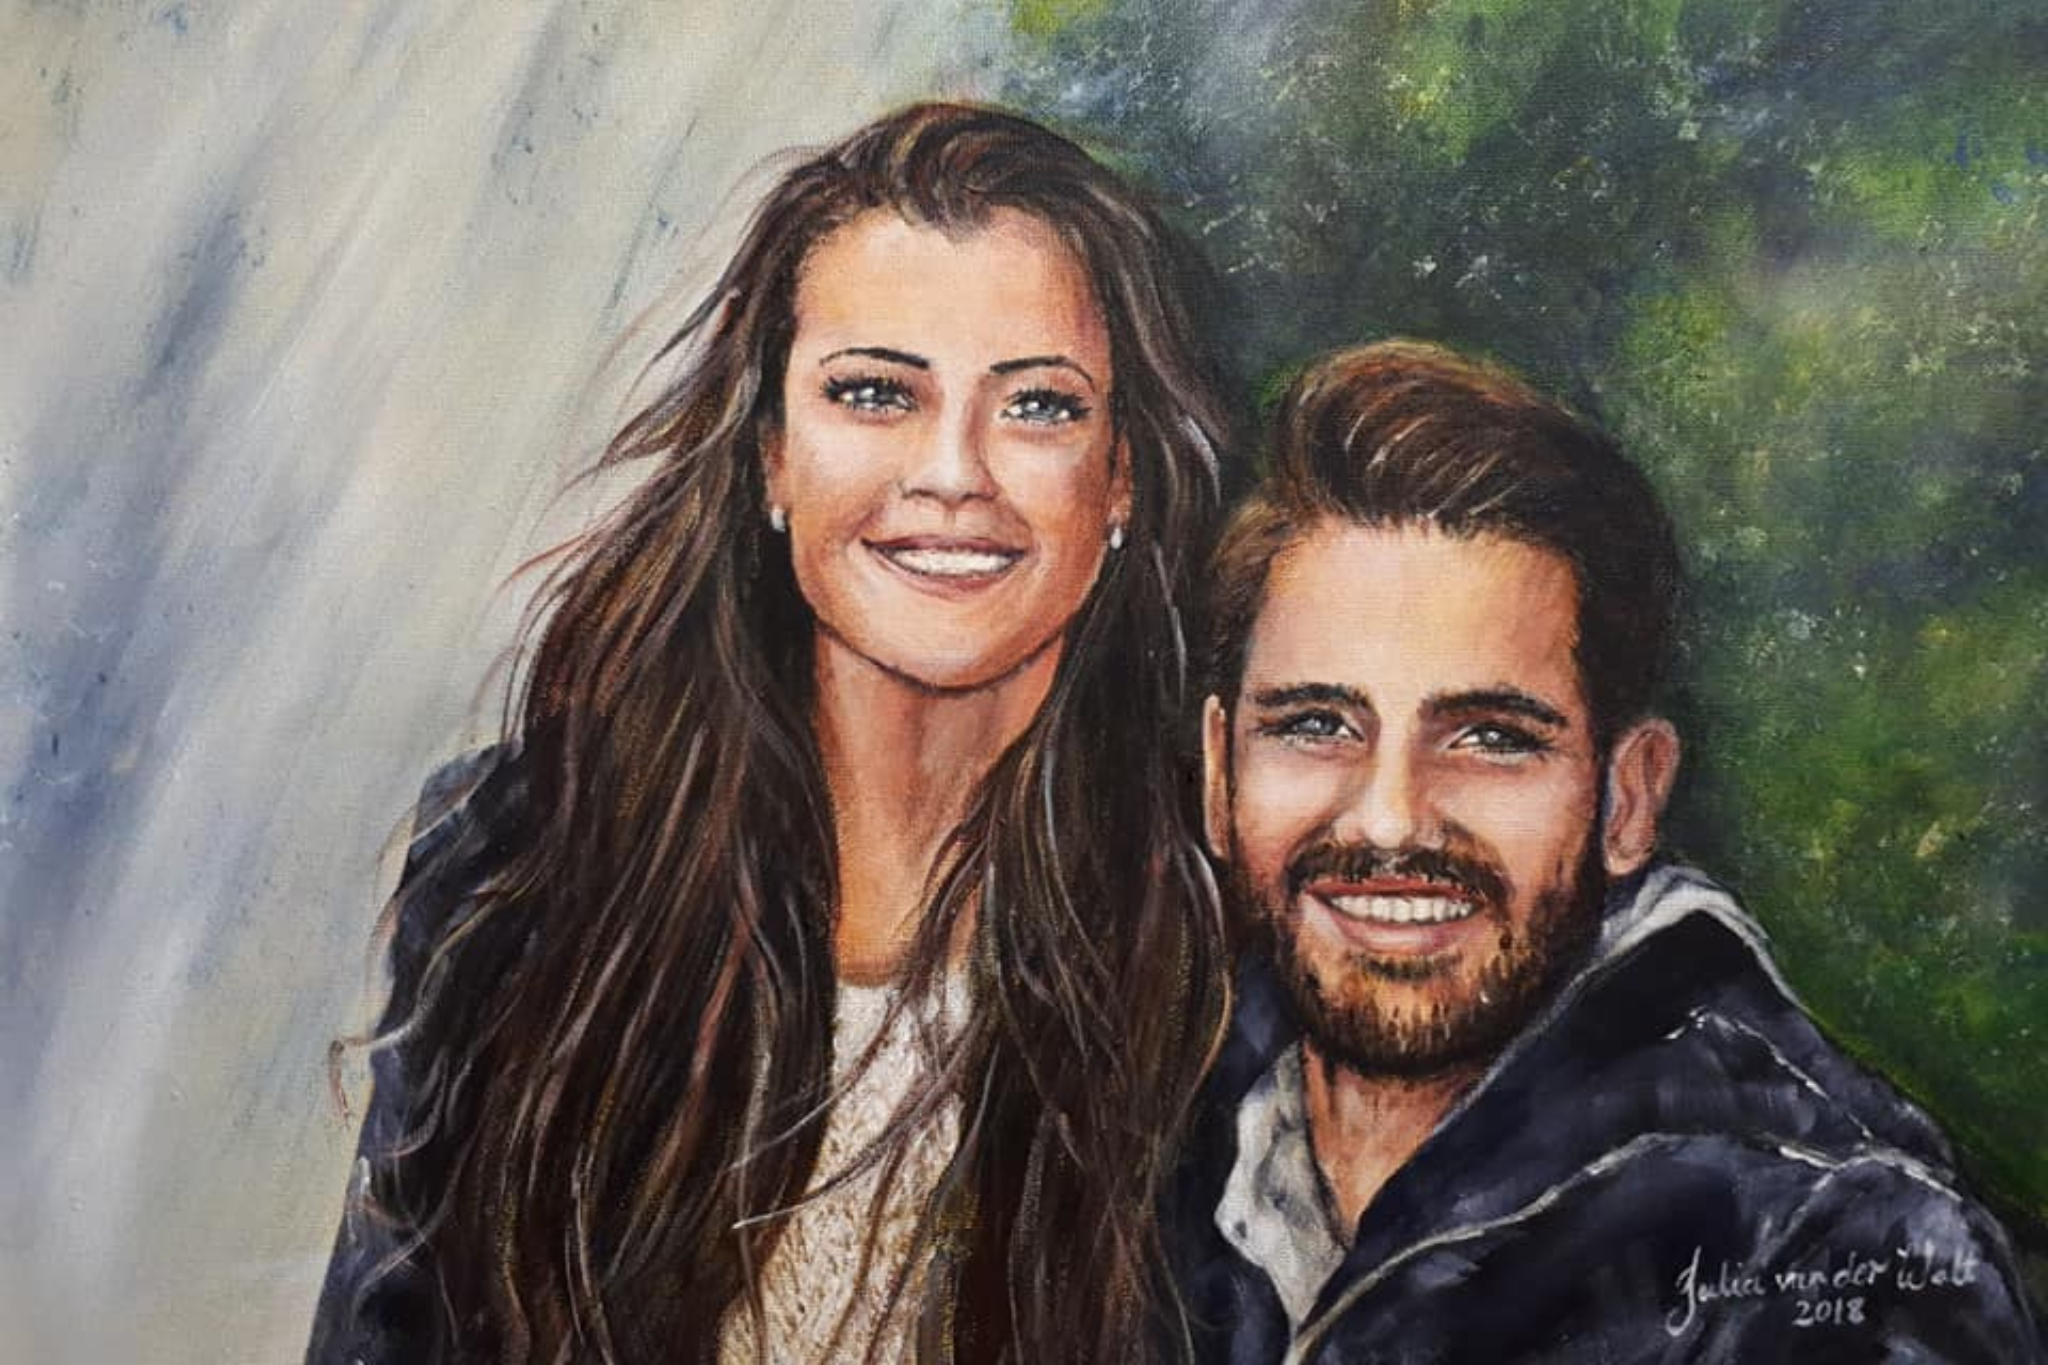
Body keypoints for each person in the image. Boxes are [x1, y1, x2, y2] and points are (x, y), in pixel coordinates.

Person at [305, 103, 1236, 1365]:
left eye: (1036, 406)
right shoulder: (527, 853)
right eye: (874, 394)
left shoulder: (1213, 902)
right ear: (768, 459)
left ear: (1120, 475)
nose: (952, 472)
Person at [1169, 341, 2044, 1362]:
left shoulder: (1837, 1241)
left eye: (1490, 738)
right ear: (1218, 775)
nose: (1390, 820)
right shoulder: (1133, 1153)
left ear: (1628, 798)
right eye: (1316, 725)